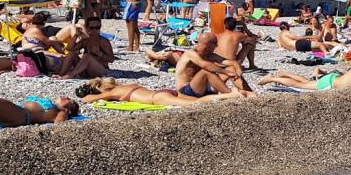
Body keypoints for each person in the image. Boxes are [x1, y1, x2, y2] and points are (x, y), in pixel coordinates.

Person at [0, 86, 77, 132]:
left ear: (69, 109)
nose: (65, 97)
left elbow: (60, 125)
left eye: (69, 100)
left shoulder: (57, 112)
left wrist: (65, 112)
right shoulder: (50, 103)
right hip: (13, 110)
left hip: (21, 116)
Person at [76, 77, 244, 108]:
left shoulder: (112, 93)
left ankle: (232, 95)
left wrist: (86, 97)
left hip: (157, 98)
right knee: (200, 99)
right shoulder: (127, 85)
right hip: (161, 92)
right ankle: (237, 94)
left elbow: (91, 98)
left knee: (196, 104)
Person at [174, 31, 245, 98]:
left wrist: (238, 70)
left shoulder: (209, 55)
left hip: (203, 89)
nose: (216, 46)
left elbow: (232, 62)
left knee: (231, 68)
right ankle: (231, 95)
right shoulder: (190, 54)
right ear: (209, 44)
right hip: (186, 91)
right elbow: (205, 66)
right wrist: (226, 73)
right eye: (216, 44)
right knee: (206, 71)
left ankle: (247, 91)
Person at [259, 58, 351, 91]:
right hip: (329, 83)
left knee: (305, 81)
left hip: (333, 79)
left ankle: (283, 74)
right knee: (299, 85)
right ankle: (272, 79)